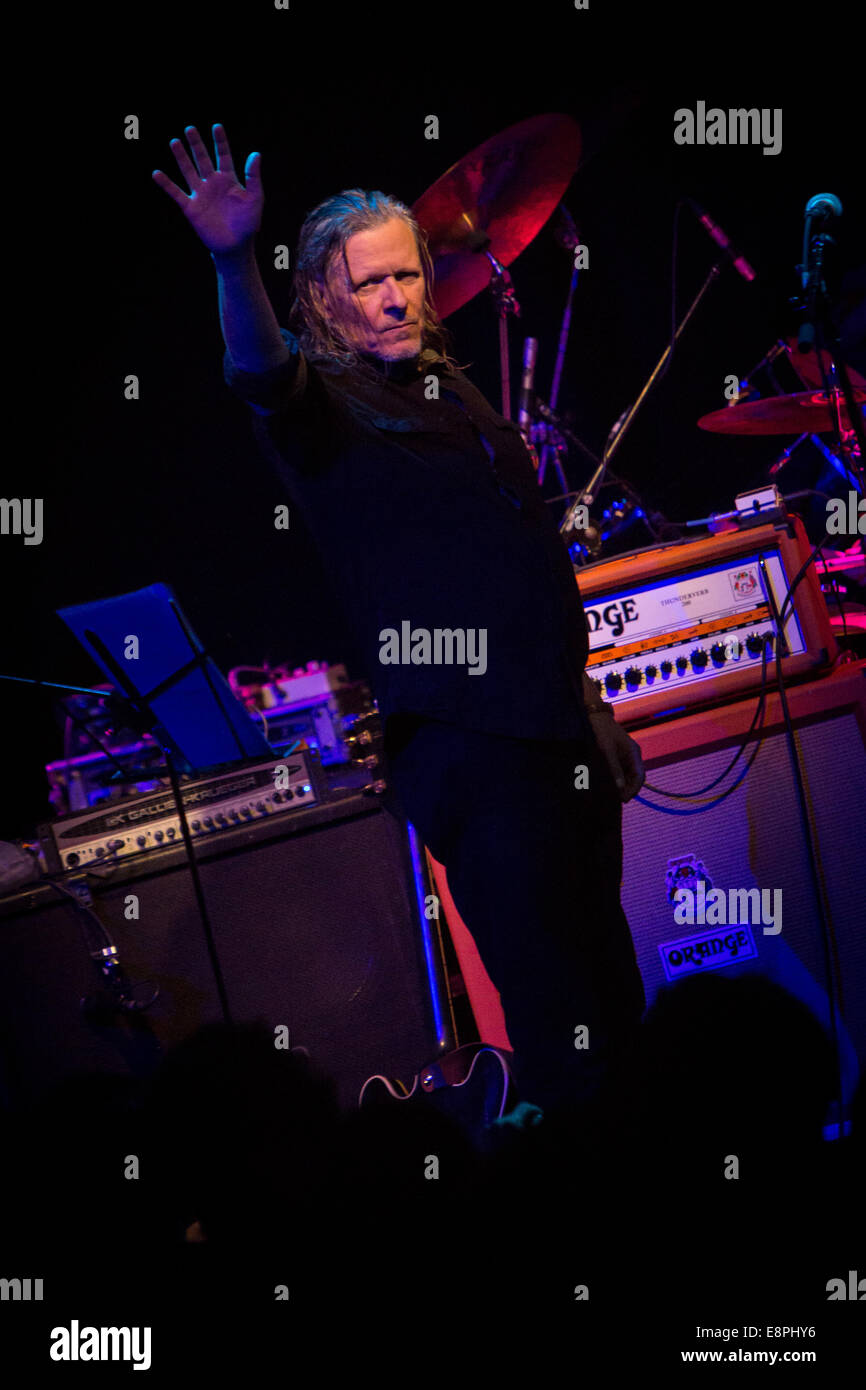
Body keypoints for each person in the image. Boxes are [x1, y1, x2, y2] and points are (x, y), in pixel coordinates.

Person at [153, 123, 647, 1118]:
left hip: (556, 735)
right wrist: (229, 256)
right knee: (563, 1034)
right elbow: (258, 368)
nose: (392, 296)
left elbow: (520, 569)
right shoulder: (324, 403)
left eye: (405, 277)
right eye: (367, 283)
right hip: (471, 745)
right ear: (326, 303)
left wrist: (589, 705)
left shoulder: (451, 390)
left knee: (618, 1011)